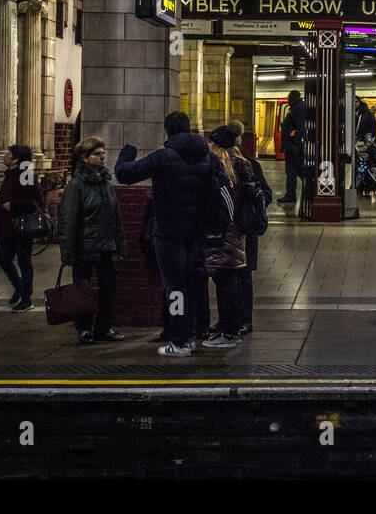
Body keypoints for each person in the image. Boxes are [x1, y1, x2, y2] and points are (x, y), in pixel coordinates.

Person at [115, 111, 227, 357]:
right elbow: (223, 185)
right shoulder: (207, 157)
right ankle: (196, 333)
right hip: (197, 234)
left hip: (168, 234)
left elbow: (125, 174)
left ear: (168, 131)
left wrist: (128, 151)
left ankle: (180, 341)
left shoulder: (163, 157)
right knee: (193, 283)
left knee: (175, 288)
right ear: (189, 129)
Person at [58, 136, 125, 344]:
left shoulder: (105, 182)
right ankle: (84, 328)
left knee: (109, 287)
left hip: (105, 245)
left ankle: (103, 328)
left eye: (103, 153)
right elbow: (68, 220)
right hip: (84, 248)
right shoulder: (76, 185)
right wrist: (67, 251)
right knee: (83, 289)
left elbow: (115, 215)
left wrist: (119, 241)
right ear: (85, 158)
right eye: (98, 154)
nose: (103, 157)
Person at [204, 126, 253, 347]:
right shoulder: (244, 165)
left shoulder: (219, 171)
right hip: (239, 233)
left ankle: (228, 331)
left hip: (223, 233)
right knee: (230, 280)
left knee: (225, 283)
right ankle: (230, 326)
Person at [228, 119, 271, 334]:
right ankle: (238, 320)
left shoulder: (249, 165)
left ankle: (241, 320)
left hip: (241, 230)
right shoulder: (248, 163)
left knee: (239, 276)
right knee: (237, 276)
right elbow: (267, 194)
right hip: (240, 231)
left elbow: (265, 194)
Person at [0, 144, 44, 313]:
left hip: (20, 227)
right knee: (4, 258)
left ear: (16, 159)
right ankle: (20, 287)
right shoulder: (12, 174)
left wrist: (12, 205)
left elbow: (34, 203)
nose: (5, 156)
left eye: (8, 154)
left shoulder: (25, 175)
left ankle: (26, 299)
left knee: (24, 261)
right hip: (7, 227)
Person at [277, 89, 306, 204]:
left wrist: (296, 144)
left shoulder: (298, 110)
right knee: (297, 171)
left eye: (289, 97)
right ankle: (311, 186)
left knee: (291, 171)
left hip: (293, 147)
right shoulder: (296, 108)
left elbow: (300, 128)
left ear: (293, 98)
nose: (288, 100)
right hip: (293, 146)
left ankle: (291, 195)